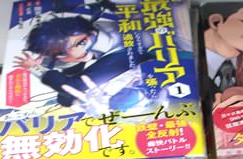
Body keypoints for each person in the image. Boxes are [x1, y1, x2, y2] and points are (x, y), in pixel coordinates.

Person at [13, 0, 153, 108]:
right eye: (61, 53)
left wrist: (35, 68)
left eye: (80, 43)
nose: (73, 52)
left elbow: (71, 89)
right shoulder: (96, 19)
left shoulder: (118, 57)